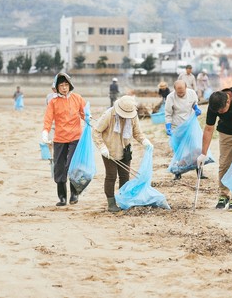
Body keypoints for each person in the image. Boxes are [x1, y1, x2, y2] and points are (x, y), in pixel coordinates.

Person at [92, 95, 153, 213]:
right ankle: (111, 203)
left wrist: (145, 141)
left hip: (125, 150)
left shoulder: (133, 115)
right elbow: (96, 131)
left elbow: (137, 133)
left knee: (125, 176)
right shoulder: (109, 115)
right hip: (109, 151)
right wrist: (102, 148)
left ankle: (123, 200)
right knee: (111, 176)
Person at [42, 72, 87, 206]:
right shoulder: (53, 102)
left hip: (75, 137)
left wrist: (91, 121)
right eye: (61, 85)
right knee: (59, 167)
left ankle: (74, 193)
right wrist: (45, 131)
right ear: (57, 87)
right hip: (60, 138)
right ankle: (62, 197)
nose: (64, 87)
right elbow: (48, 119)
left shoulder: (77, 98)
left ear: (70, 85)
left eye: (66, 84)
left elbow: (85, 114)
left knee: (72, 165)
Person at [164, 80, 203, 179]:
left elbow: (194, 104)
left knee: (195, 148)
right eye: (178, 92)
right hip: (177, 126)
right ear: (175, 89)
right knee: (178, 150)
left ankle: (200, 172)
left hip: (190, 125)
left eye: (182, 92)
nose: (181, 94)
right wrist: (168, 127)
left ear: (186, 87)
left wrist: (196, 109)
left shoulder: (192, 93)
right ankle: (178, 173)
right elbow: (168, 114)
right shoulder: (170, 97)